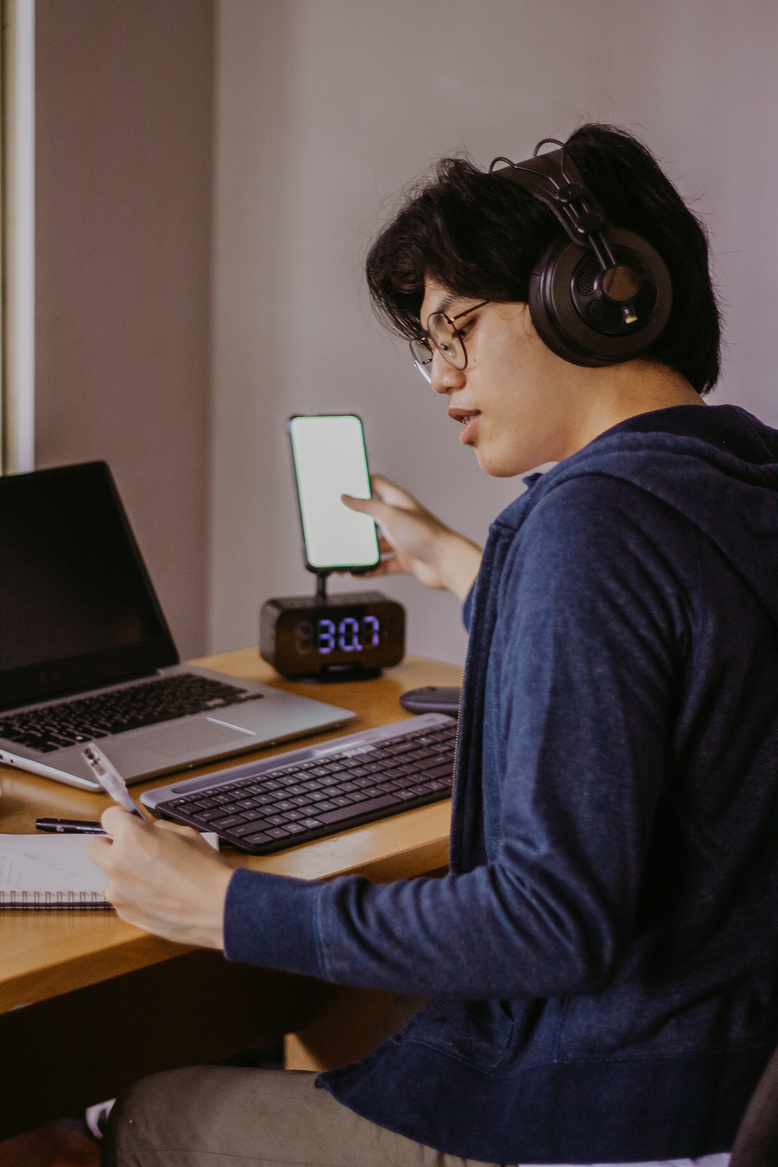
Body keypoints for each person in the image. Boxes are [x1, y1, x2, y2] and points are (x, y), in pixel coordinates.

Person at [92, 124, 778, 1167]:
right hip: (727, 1069)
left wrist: (223, 907)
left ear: (591, 298)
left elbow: (549, 922)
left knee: (148, 1113)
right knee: (366, 1021)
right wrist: (466, 567)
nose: (441, 374)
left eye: (456, 327)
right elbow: (682, 647)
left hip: (610, 1113)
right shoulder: (736, 476)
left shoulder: (587, 525)